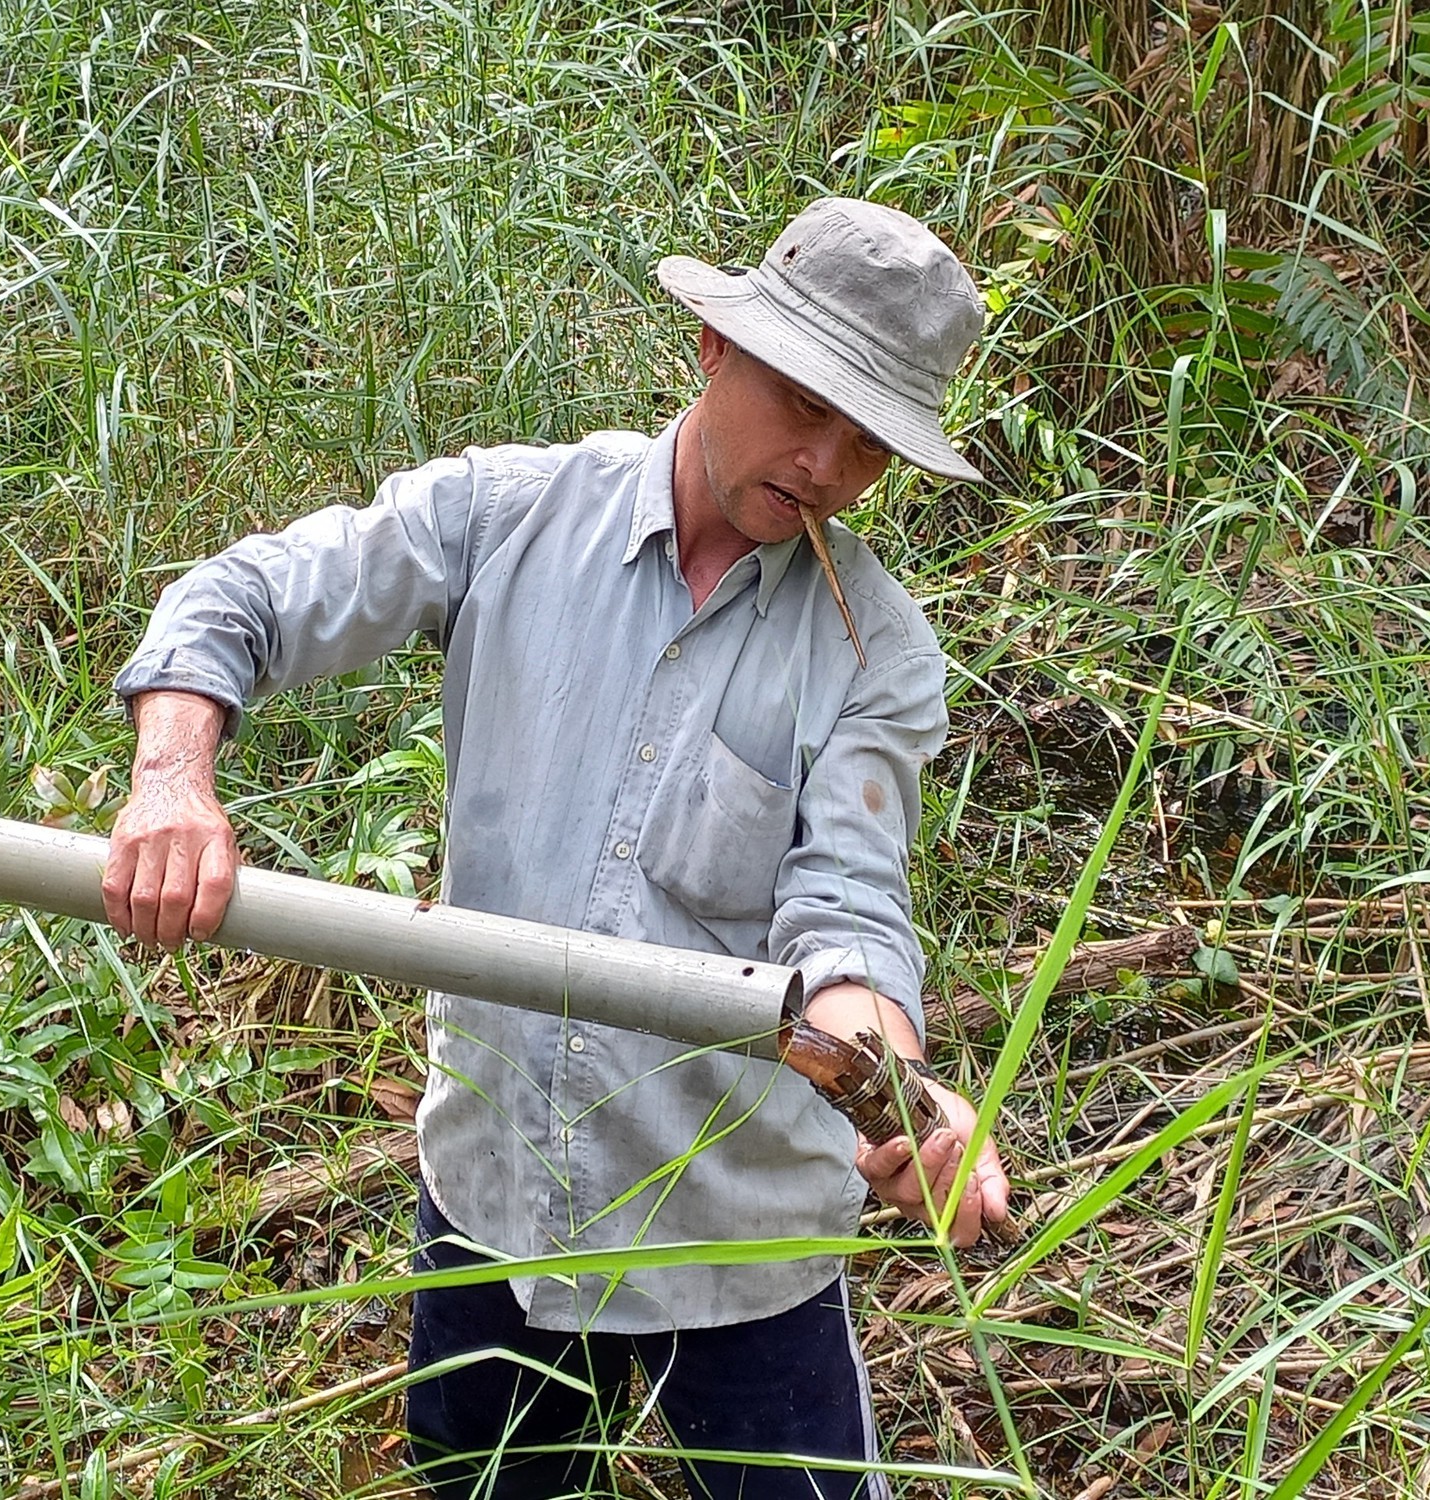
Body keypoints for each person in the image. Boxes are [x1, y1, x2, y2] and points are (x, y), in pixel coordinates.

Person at [102, 197, 1012, 1499]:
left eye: (867, 445)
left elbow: (849, 905)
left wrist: (903, 1099)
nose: (822, 462)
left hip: (739, 1242)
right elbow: (246, 599)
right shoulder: (502, 518)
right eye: (804, 404)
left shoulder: (878, 651)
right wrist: (174, 779)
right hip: (498, 1207)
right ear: (713, 345)